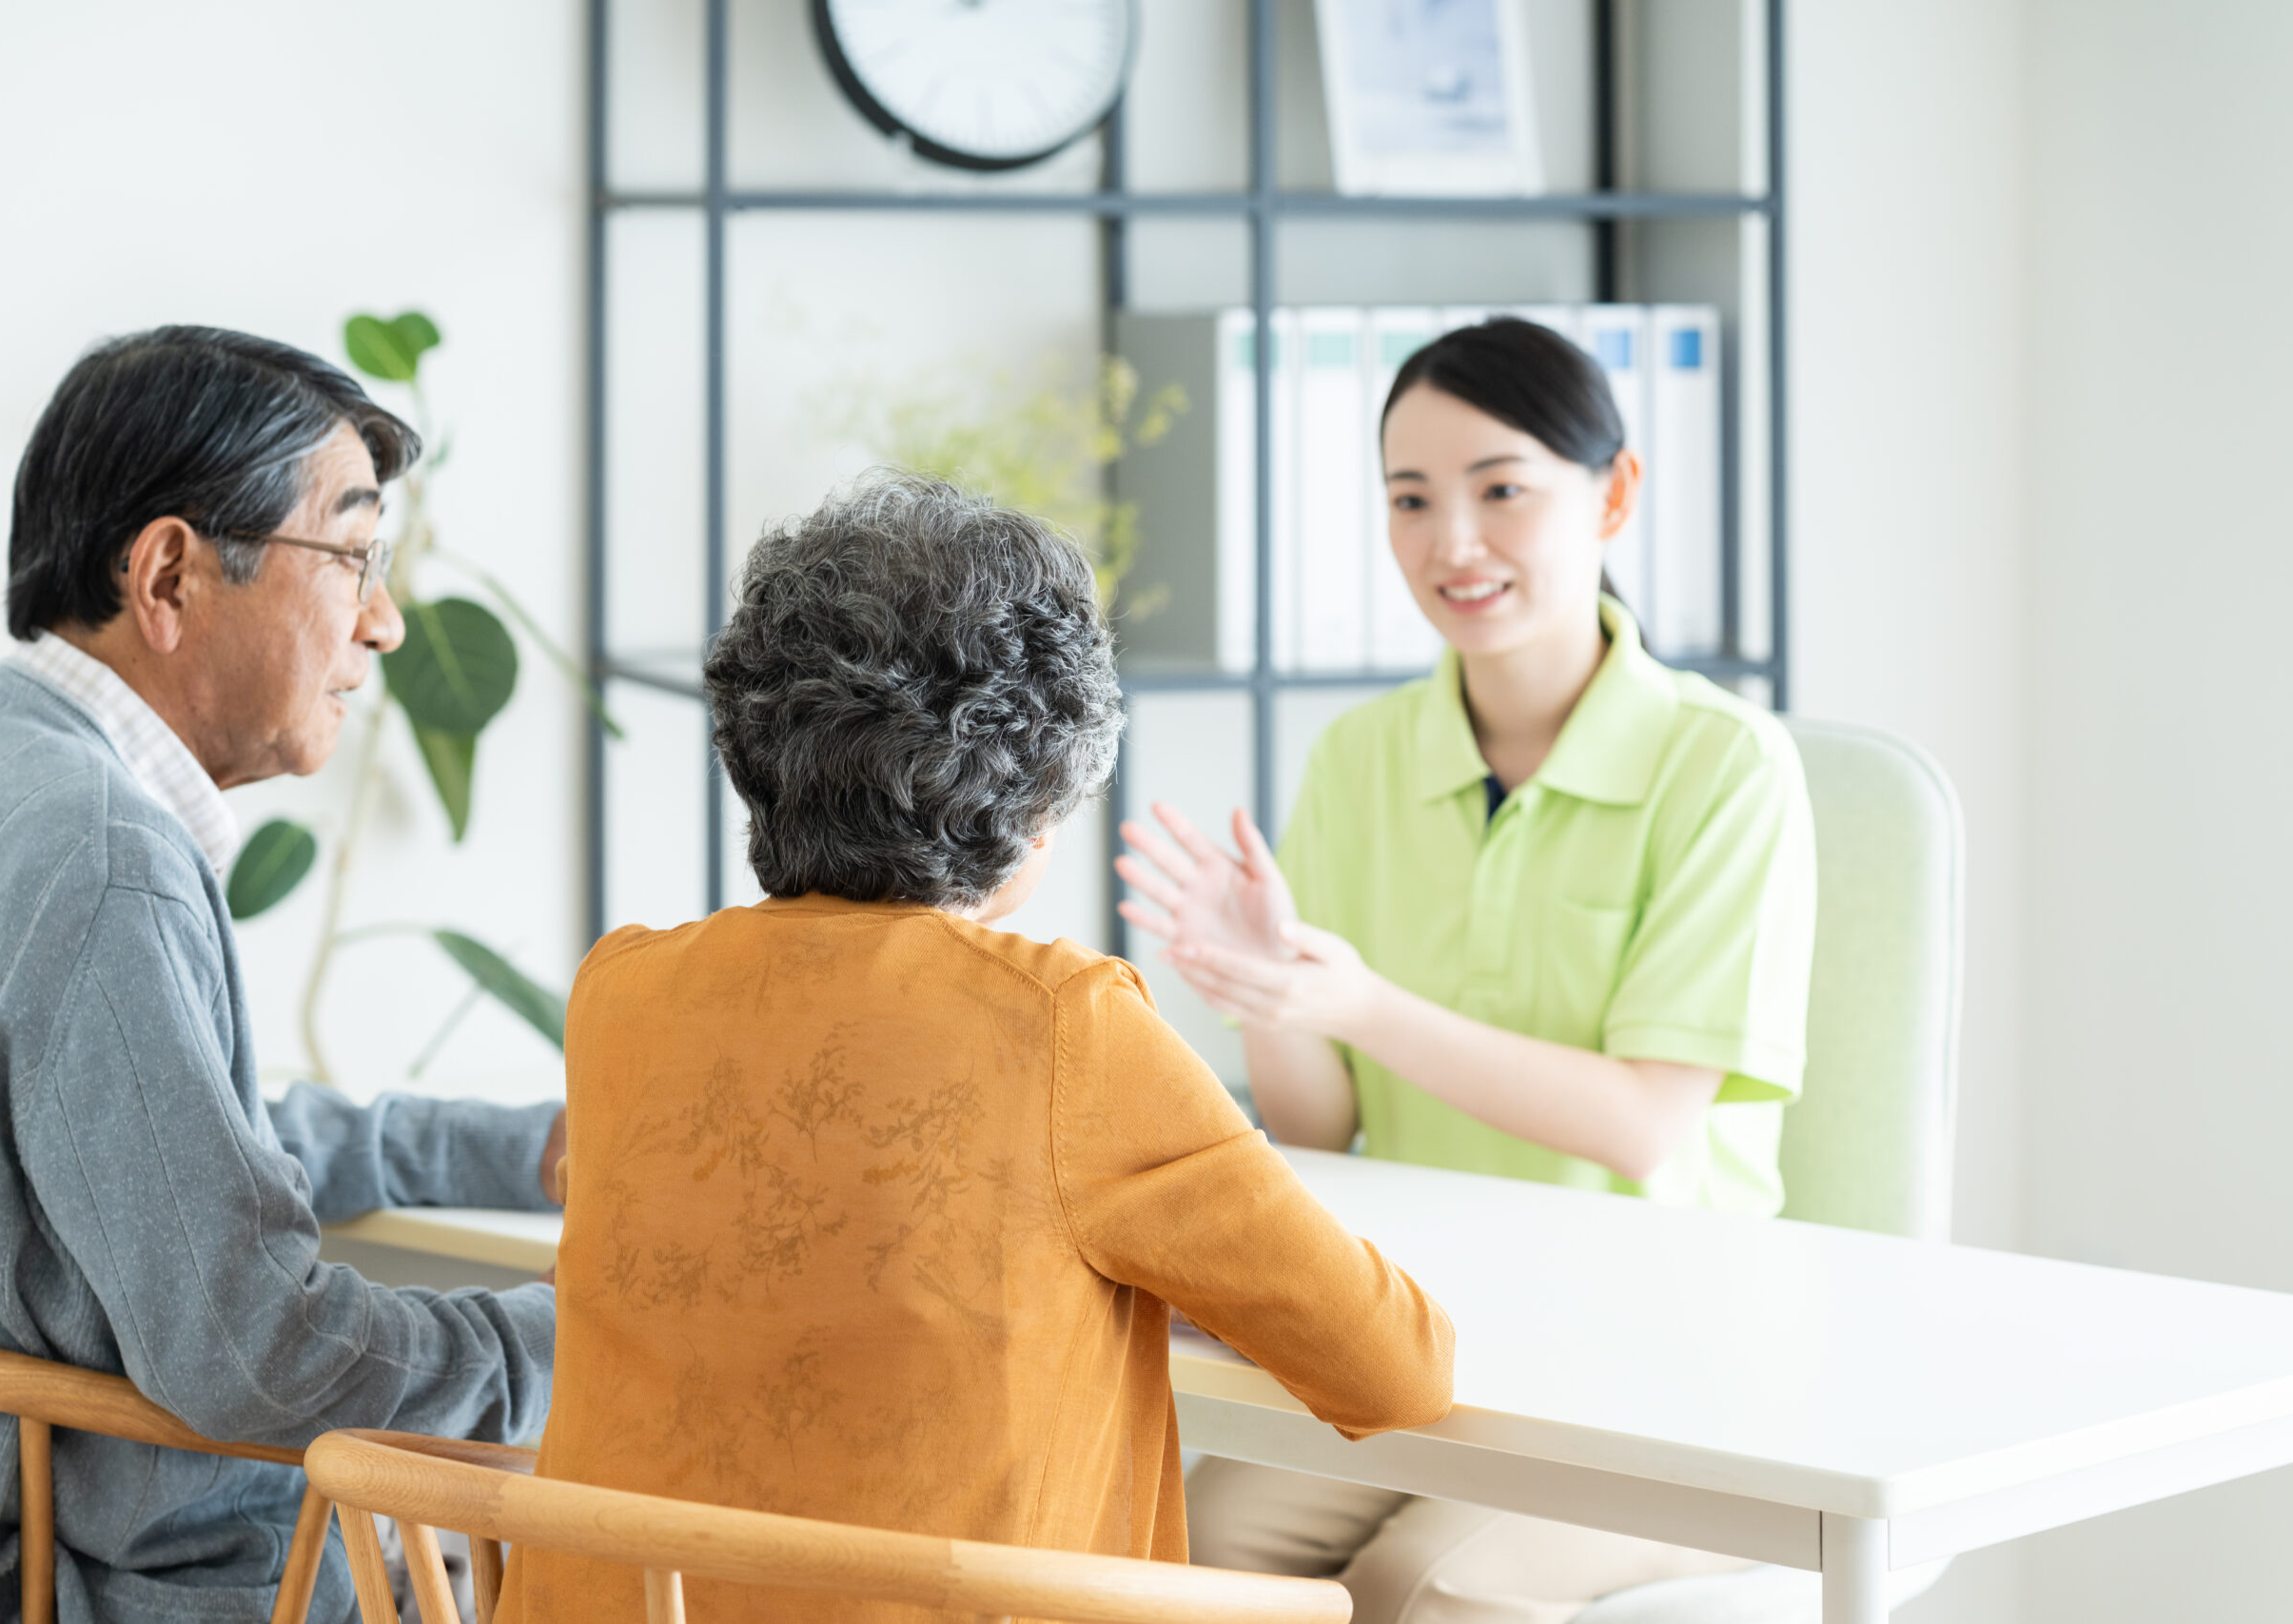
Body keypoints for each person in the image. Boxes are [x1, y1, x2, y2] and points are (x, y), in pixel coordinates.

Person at [496, 473, 1456, 1624]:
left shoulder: (624, 994)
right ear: (1043, 787)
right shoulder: (1065, 1024)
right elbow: (1393, 1369)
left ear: (751, 749)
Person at [0, 327, 566, 1624]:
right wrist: (575, 1333)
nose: (386, 620)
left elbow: (155, 1141)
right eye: (353, 553)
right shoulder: (103, 853)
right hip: (123, 1588)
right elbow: (259, 1349)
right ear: (172, 573)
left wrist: (525, 1150)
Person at [1119, 318, 1817, 1624]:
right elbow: (1328, 1127)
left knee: (1429, 1583)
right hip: (1423, 1339)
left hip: (1661, 1358)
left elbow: (1644, 1119)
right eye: (1411, 499)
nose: (1454, 543)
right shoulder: (1361, 757)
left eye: (1503, 489)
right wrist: (1271, 996)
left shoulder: (1725, 767)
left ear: (1612, 492)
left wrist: (1361, 1000)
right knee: (1178, 1555)